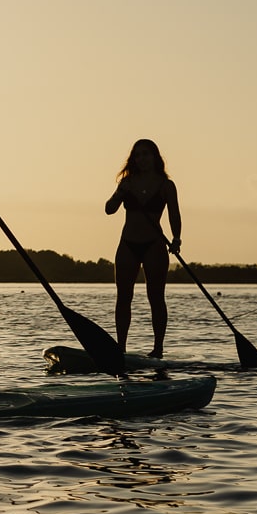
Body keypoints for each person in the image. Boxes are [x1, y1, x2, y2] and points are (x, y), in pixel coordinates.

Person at [105, 138, 182, 359]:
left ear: (155, 157)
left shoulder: (166, 185)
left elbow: (174, 214)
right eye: (138, 155)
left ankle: (158, 348)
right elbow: (109, 209)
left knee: (156, 297)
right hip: (128, 244)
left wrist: (177, 239)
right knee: (123, 296)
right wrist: (120, 193)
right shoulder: (126, 183)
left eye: (146, 154)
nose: (142, 159)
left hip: (154, 245)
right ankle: (120, 348)